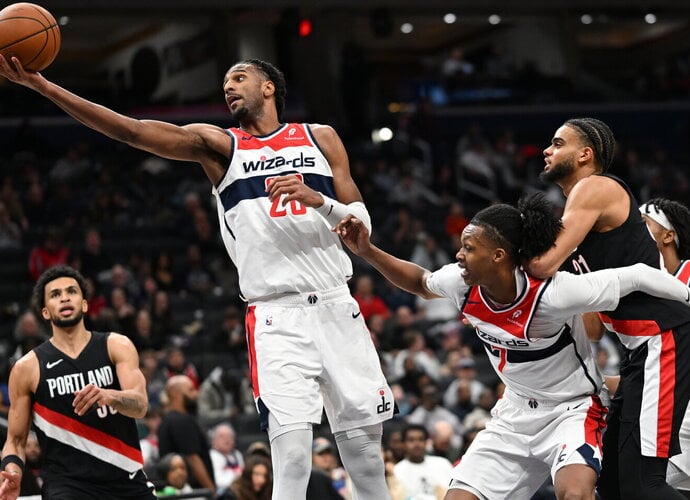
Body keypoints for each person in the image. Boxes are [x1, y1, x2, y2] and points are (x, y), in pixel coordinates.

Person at [0, 56, 394, 499]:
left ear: (269, 87)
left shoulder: (321, 137)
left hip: (337, 305)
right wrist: (46, 87)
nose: (229, 87)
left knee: (365, 458)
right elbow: (131, 131)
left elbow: (361, 230)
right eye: (225, 82)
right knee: (293, 458)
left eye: (239, 78)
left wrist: (319, 201)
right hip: (277, 317)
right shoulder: (220, 146)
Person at [335, 193, 690, 500]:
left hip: (571, 411)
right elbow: (421, 281)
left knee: (575, 493)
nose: (459, 255)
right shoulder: (461, 284)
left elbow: (637, 276)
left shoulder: (553, 293)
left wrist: (686, 295)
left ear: (499, 255)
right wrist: (367, 250)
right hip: (514, 414)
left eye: (469, 248)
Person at [529, 117, 690, 499]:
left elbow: (541, 265)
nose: (547, 150)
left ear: (585, 154)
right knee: (613, 483)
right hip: (639, 353)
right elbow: (594, 328)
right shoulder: (579, 223)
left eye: (558, 143)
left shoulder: (595, 187)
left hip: (663, 339)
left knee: (644, 484)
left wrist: (500, 273)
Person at [0, 265, 155, 499]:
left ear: (84, 304)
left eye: (71, 291)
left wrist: (110, 395)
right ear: (45, 312)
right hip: (67, 486)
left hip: (126, 479)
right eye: (55, 294)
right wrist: (13, 471)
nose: (64, 298)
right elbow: (16, 440)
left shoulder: (116, 345)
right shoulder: (27, 367)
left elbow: (141, 405)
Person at [639, 198, 690, 491]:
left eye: (643, 223)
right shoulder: (641, 285)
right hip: (666, 408)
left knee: (635, 486)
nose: (634, 230)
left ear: (668, 235)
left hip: (680, 412)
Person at [157, 375, 216, 495]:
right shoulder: (181, 421)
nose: (196, 394)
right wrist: (211, 492)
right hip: (192, 492)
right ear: (175, 394)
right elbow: (193, 459)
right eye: (191, 390)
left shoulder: (168, 420)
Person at [392, 424, 454, 500]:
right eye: (411, 440)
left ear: (426, 442)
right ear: (403, 444)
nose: (416, 444)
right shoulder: (397, 471)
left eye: (421, 439)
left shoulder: (443, 463)